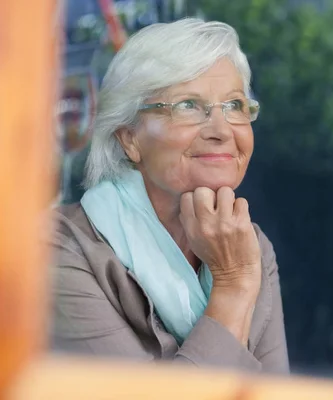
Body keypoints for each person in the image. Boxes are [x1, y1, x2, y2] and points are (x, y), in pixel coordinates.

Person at [50, 18, 289, 374]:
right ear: (129, 138)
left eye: (235, 105)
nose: (221, 130)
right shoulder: (59, 249)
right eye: (188, 105)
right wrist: (233, 284)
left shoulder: (250, 244)